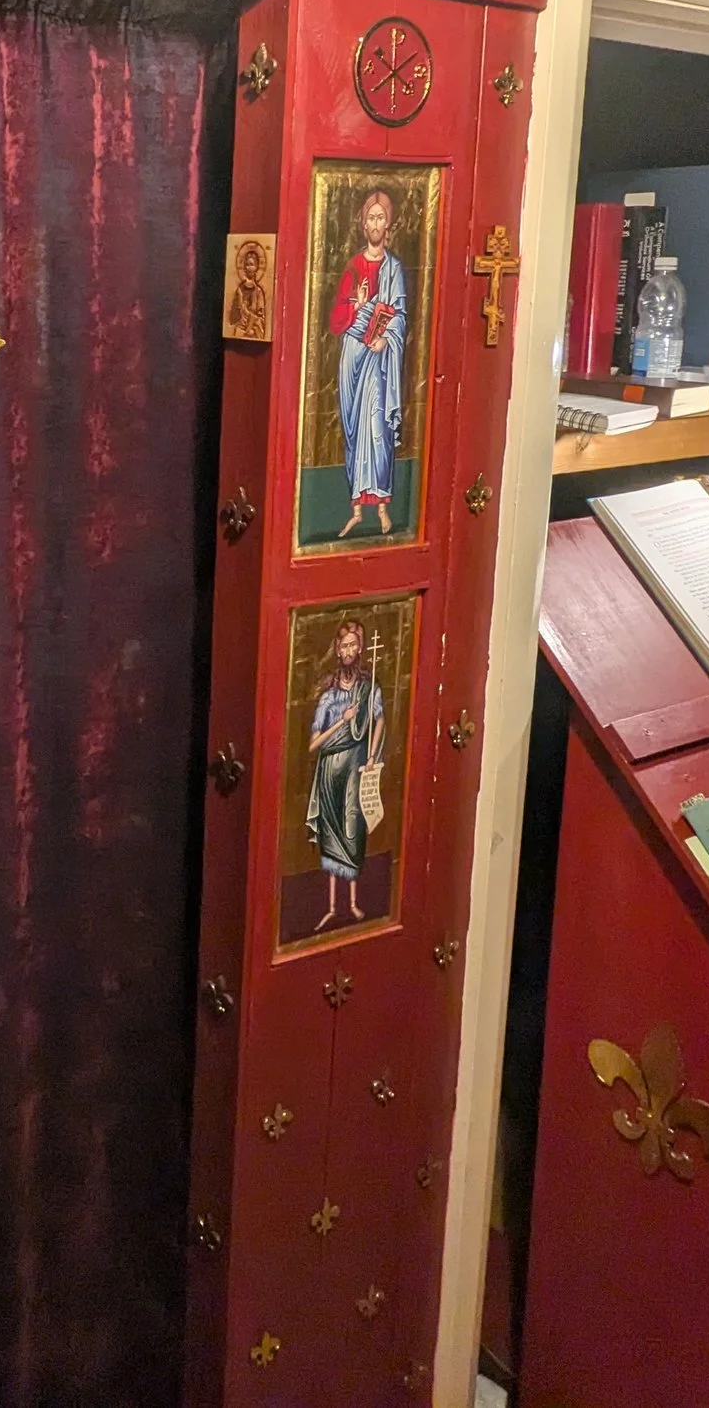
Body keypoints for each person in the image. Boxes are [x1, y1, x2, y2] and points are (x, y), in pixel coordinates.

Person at [327, 188, 407, 537]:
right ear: (364, 225)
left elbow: (400, 314)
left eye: (381, 218)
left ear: (388, 224)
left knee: (378, 428)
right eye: (370, 218)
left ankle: (384, 510)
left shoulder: (395, 269)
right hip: (353, 354)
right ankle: (356, 509)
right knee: (356, 429)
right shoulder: (353, 266)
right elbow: (335, 320)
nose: (376, 224)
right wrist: (357, 306)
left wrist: (385, 339)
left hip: (380, 359)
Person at [305, 619, 384, 931]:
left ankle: (352, 903)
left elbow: (379, 721)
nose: (348, 651)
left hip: (355, 768)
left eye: (353, 645)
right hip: (329, 773)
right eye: (344, 646)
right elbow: (314, 744)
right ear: (337, 650)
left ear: (360, 648)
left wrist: (372, 756)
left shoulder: (369, 689)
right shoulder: (329, 698)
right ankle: (331, 906)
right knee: (331, 838)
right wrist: (342, 721)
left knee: (353, 832)